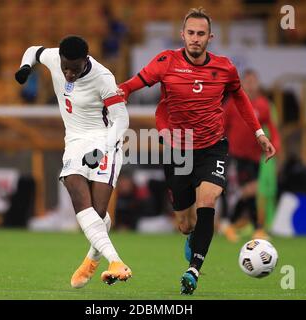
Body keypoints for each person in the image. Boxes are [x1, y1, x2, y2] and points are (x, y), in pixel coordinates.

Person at [118, 8, 276, 295]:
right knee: (185, 224)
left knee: (208, 201)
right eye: (190, 33)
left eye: (201, 34)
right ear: (182, 35)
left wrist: (259, 133)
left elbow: (240, 97)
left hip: (212, 148)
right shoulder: (166, 62)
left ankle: (193, 270)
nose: (195, 38)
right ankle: (192, 239)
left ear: (210, 37)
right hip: (178, 150)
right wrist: (117, 95)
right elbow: (132, 85)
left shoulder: (224, 68)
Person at [15, 35, 132, 288]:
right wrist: (25, 68)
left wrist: (101, 151)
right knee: (78, 196)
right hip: (74, 143)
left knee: (98, 216)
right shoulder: (56, 57)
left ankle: (91, 262)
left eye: (74, 69)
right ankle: (116, 261)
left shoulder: (103, 78)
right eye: (65, 67)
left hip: (105, 141)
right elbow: (34, 50)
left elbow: (121, 121)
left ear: (85, 60)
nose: (68, 73)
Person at [223, 69, 281, 242]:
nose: (250, 85)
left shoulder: (263, 105)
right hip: (235, 154)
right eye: (247, 81)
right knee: (246, 190)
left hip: (254, 156)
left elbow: (273, 129)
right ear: (241, 84)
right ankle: (253, 227)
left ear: (258, 84)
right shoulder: (233, 103)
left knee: (247, 192)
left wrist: (274, 145)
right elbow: (221, 126)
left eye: (253, 81)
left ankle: (231, 224)